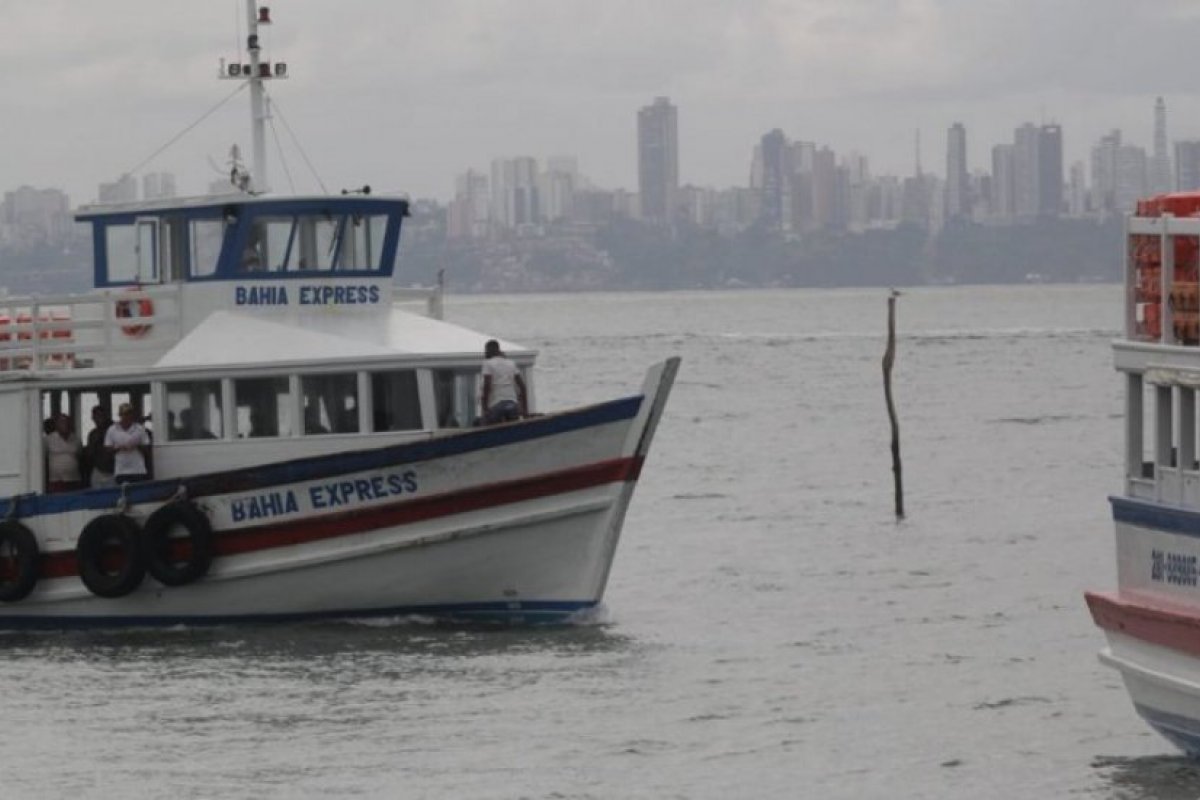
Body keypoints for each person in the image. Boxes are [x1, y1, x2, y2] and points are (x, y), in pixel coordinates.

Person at [480, 339, 527, 425]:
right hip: (512, 403)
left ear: (489, 350)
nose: (485, 353)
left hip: (497, 403)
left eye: (486, 351)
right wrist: (525, 409)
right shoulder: (511, 363)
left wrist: (485, 407)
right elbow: (522, 386)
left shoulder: (488, 363)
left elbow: (487, 385)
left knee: (486, 425)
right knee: (513, 428)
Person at [104, 403, 151, 484]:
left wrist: (137, 445)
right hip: (121, 471)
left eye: (129, 414)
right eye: (124, 414)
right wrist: (119, 448)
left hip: (138, 470)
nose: (127, 416)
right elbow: (107, 449)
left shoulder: (140, 429)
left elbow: (147, 448)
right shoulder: (112, 429)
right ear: (120, 415)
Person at [44, 413, 83, 493]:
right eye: (62, 422)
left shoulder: (76, 440)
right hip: (56, 481)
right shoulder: (48, 439)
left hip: (74, 480)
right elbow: (43, 458)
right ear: (57, 425)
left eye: (67, 422)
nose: (65, 424)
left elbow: (80, 456)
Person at [83, 405, 116, 488]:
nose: (98, 419)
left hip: (114, 471)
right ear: (93, 418)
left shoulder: (115, 430)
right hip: (98, 470)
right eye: (96, 416)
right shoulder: (92, 434)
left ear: (106, 416)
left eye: (101, 416)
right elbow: (89, 454)